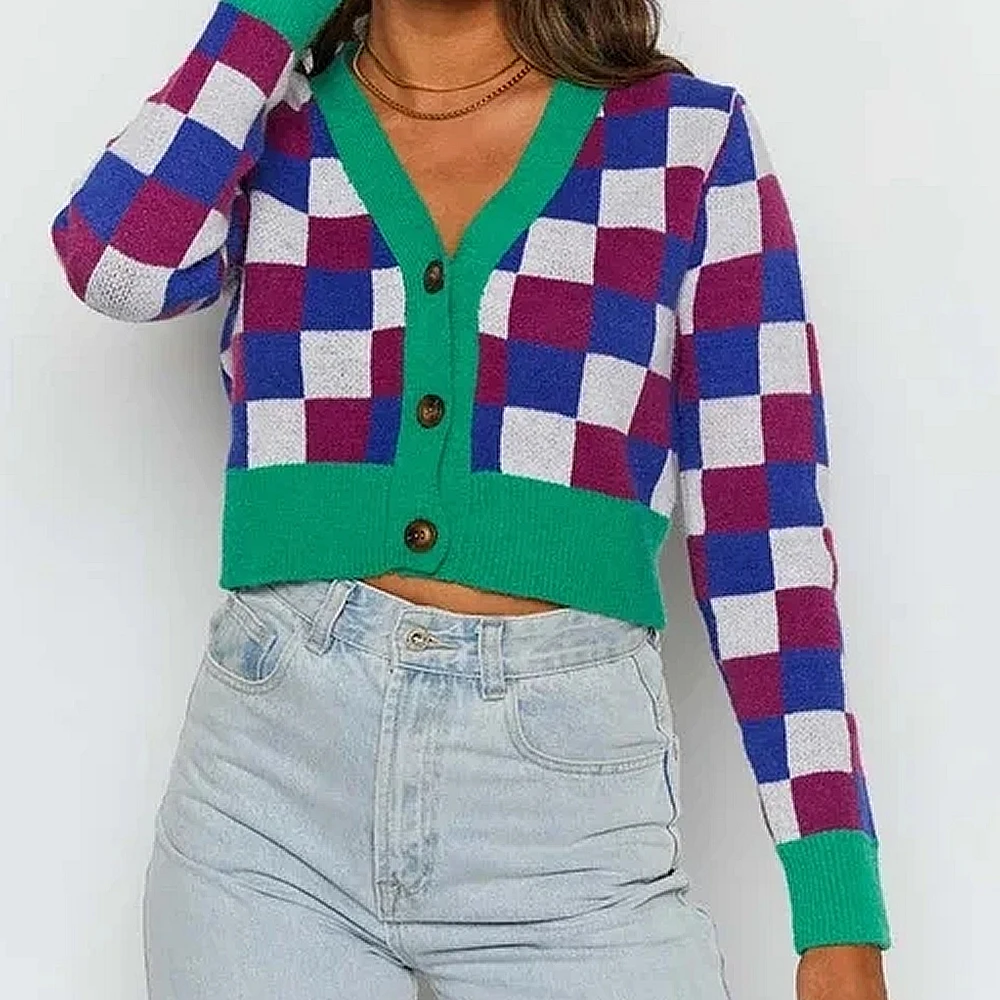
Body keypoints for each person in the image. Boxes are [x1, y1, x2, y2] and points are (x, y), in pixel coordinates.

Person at [50, 1, 892, 997]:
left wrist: (836, 904)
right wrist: (268, 20)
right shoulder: (268, 131)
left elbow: (765, 533)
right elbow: (114, 266)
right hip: (266, 805)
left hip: (570, 822)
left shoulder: (686, 142)